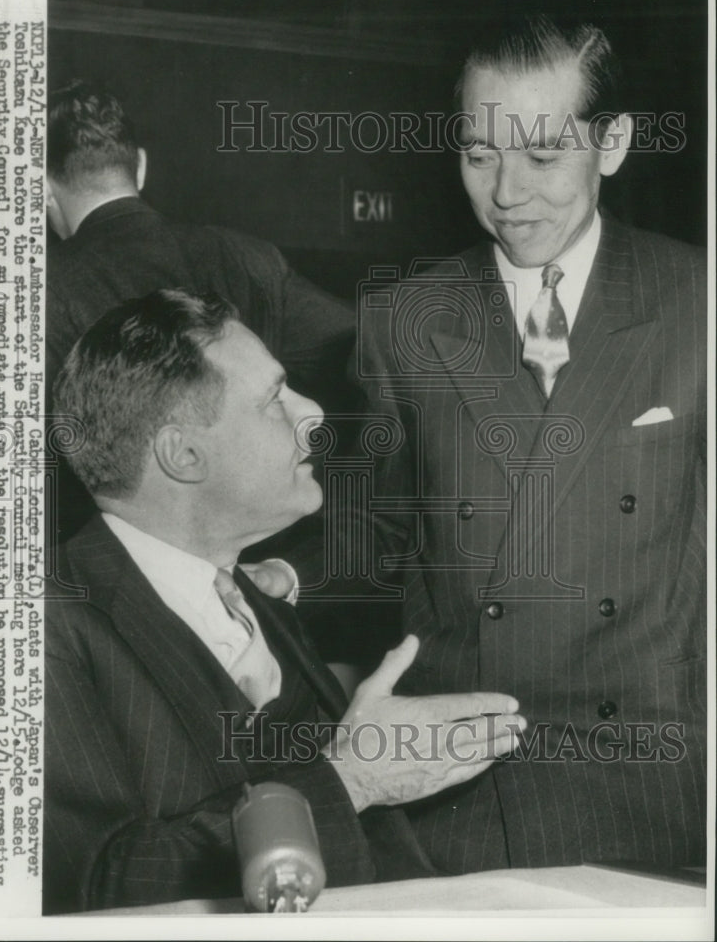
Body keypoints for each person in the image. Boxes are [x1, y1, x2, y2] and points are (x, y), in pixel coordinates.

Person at [43, 288, 525, 914]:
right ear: (183, 455)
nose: (314, 412)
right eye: (274, 400)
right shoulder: (40, 626)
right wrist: (350, 779)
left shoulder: (255, 599)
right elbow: (93, 885)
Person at [357, 14, 706, 874]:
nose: (508, 193)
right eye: (480, 155)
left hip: (653, 785)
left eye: (544, 156)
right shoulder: (404, 320)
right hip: (458, 785)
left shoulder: (698, 301)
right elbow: (378, 529)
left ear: (613, 143)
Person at [45, 79, 357, 541]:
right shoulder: (246, 256)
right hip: (256, 554)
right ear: (142, 166)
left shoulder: (40, 288)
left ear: (43, 189)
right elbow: (370, 345)